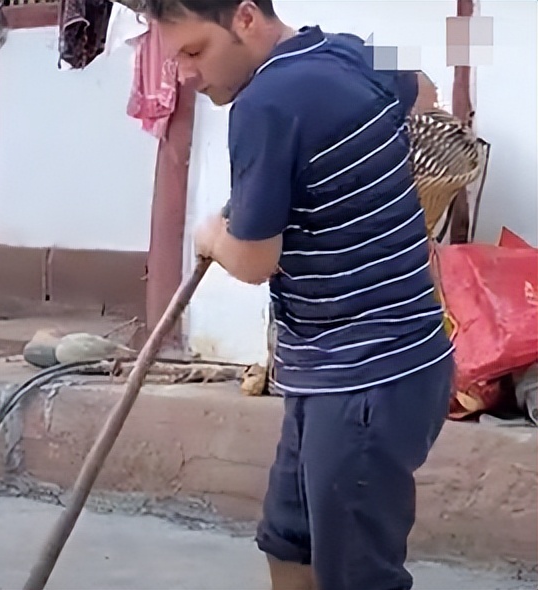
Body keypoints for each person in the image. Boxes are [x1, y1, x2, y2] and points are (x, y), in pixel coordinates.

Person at [141, 2, 455, 589]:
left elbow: (255, 261)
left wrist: (210, 233)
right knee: (288, 538)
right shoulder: (346, 48)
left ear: (245, 18)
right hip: (349, 370)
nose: (185, 73)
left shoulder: (263, 103)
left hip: (367, 377)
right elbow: (426, 92)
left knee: (356, 575)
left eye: (194, 51)